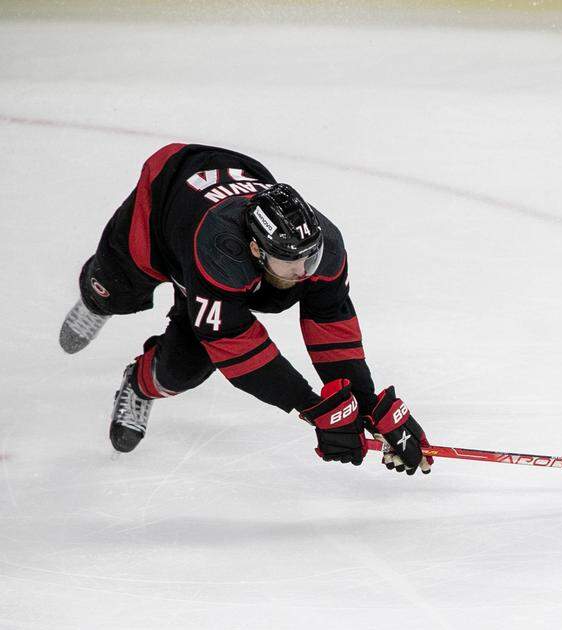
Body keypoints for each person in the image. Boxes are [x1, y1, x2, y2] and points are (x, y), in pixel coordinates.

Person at [60, 143, 431, 475]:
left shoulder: (324, 246)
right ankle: (98, 302)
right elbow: (239, 350)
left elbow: (331, 325)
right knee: (112, 289)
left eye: (309, 257)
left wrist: (367, 404)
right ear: (256, 249)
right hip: (167, 197)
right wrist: (312, 407)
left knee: (183, 369)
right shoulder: (222, 253)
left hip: (229, 189)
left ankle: (138, 384)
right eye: (290, 262)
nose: (304, 272)